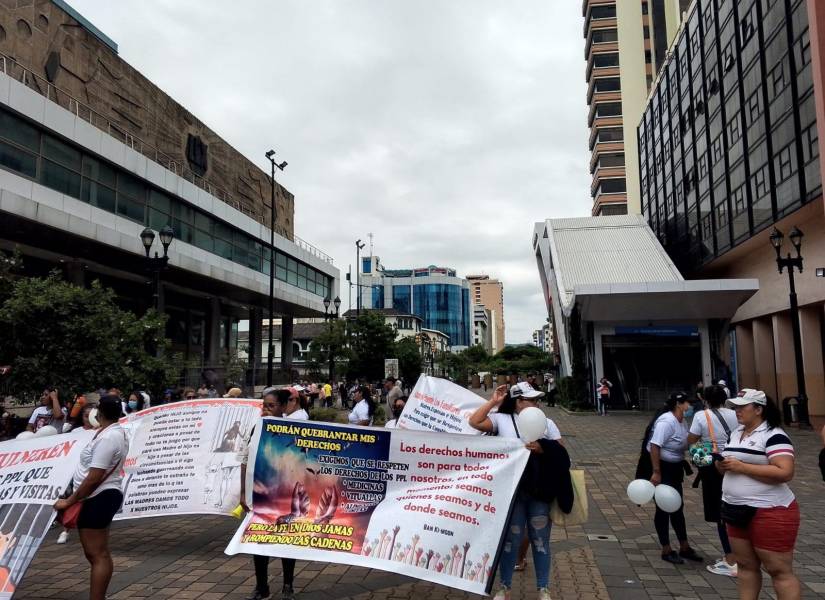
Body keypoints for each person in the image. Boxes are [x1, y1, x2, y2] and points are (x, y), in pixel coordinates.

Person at [468, 383, 567, 600]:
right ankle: (505, 587)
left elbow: (562, 455)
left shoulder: (546, 423)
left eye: (537, 400)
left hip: (539, 492)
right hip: (511, 494)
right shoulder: (501, 420)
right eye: (531, 400)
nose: (536, 404)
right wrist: (494, 401)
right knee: (510, 540)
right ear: (518, 402)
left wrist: (544, 448)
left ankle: (543, 588)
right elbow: (474, 421)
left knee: (540, 540)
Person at [719, 389, 799, 600]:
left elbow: (785, 472)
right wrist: (721, 464)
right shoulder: (736, 433)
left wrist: (741, 467)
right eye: (735, 407)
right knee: (745, 566)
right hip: (735, 508)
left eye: (741, 407)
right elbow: (732, 466)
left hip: (770, 510)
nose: (737, 411)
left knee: (778, 570)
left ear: (758, 409)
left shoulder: (774, 435)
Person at [54, 395, 128, 600]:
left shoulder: (108, 438)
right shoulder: (110, 432)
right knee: (96, 553)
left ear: (99, 413)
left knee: (97, 554)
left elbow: (93, 478)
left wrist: (70, 501)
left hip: (98, 496)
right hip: (99, 496)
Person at [240, 390, 296, 600]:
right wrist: (243, 493)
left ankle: (288, 586)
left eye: (271, 405)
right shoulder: (256, 429)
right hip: (261, 495)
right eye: (264, 405)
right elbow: (244, 460)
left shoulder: (293, 429)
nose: (266, 409)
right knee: (259, 541)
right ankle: (261, 587)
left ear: (283, 407)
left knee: (286, 541)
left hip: (285, 494)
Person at [687, 384, 740, 576]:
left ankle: (731, 559)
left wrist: (700, 457)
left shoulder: (702, 416)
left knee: (719, 511)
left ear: (705, 399)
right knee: (735, 506)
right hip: (736, 460)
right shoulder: (736, 414)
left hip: (713, 462)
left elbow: (692, 439)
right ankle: (740, 555)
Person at [647, 392, 702, 565]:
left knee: (677, 506)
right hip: (663, 468)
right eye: (688, 403)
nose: (691, 407)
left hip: (675, 468)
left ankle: (684, 546)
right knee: (664, 506)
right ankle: (666, 548)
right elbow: (655, 446)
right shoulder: (666, 422)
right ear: (679, 404)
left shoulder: (682, 421)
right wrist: (656, 472)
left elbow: (687, 442)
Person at [57, 404, 99, 545]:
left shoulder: (101, 432)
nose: (88, 419)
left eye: (91, 416)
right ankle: (65, 530)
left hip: (92, 471)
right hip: (75, 472)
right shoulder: (76, 432)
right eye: (85, 416)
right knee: (72, 499)